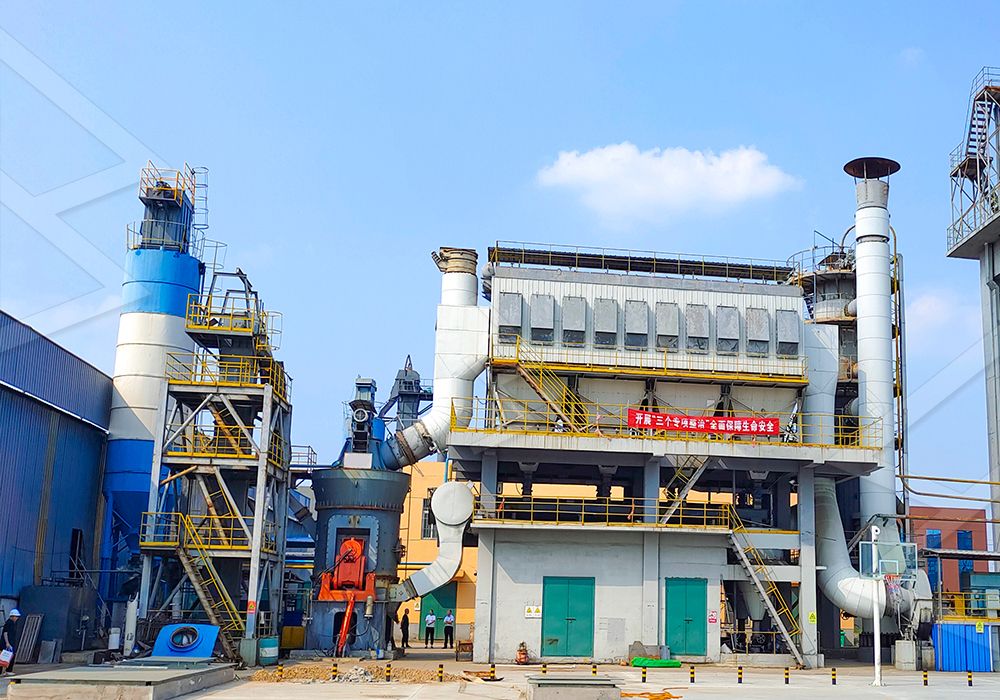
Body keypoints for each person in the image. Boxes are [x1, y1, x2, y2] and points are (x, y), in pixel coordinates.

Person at [1, 609, 20, 676]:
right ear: (12, 616)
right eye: (16, 617)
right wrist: (7, 643)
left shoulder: (12, 623)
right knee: (3, 657)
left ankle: (7, 670)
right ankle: (5, 671)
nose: (17, 618)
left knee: (10, 656)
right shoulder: (9, 623)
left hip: (10, 643)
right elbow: (5, 633)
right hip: (7, 643)